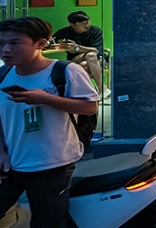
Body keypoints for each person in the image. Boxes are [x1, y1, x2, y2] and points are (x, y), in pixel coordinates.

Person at [0, 16, 99, 228]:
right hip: (11, 164)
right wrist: (1, 152)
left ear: (41, 43)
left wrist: (46, 99)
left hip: (54, 164)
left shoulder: (65, 71)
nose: (6, 50)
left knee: (47, 222)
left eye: (15, 43)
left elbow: (90, 106)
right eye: (1, 43)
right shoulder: (3, 74)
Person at [53, 12, 104, 94]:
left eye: (88, 22)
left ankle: (90, 90)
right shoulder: (64, 32)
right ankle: (102, 89)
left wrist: (77, 47)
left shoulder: (95, 31)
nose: (87, 25)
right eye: (82, 24)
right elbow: (51, 41)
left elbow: (96, 50)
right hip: (75, 59)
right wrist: (53, 42)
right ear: (72, 25)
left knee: (86, 62)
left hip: (97, 60)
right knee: (89, 57)